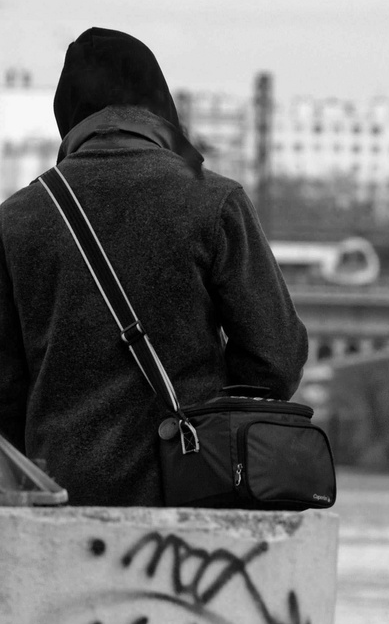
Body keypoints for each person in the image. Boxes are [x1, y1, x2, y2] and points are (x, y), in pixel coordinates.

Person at [0, 28, 307, 506]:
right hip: (195, 491)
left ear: (68, 113)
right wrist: (205, 420)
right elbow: (276, 357)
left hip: (61, 498)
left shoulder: (15, 219)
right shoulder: (213, 199)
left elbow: (5, 386)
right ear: (161, 104)